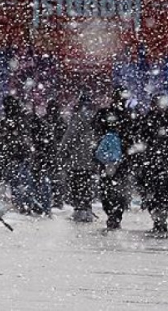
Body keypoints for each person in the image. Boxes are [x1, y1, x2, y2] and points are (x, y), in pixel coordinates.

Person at [134, 94, 168, 234]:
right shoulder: (149, 119)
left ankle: (161, 218)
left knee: (163, 193)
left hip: (166, 163)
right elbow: (141, 139)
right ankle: (157, 216)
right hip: (151, 164)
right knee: (151, 192)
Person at [92, 88, 135, 230]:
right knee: (118, 189)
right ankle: (115, 215)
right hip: (121, 160)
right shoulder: (129, 116)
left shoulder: (104, 113)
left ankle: (112, 213)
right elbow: (133, 138)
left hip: (106, 160)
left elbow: (95, 131)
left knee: (107, 188)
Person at [60, 94, 98, 222]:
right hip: (91, 158)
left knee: (77, 183)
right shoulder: (95, 118)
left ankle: (80, 210)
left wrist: (63, 151)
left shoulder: (77, 118)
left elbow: (69, 137)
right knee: (87, 184)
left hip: (78, 158)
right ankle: (87, 209)